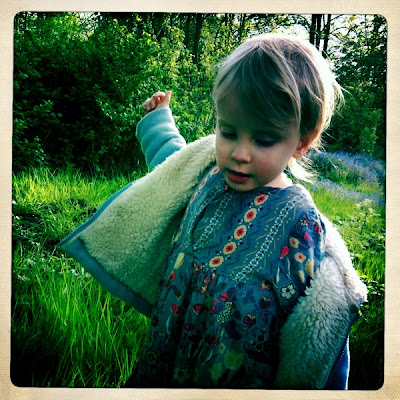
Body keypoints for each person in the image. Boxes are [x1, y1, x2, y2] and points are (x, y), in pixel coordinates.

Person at [58, 34, 367, 389]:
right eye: (228, 131)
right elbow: (173, 166)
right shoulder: (211, 173)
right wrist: (158, 122)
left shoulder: (300, 225)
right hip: (170, 353)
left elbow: (319, 326)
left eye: (264, 140)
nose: (240, 153)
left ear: (302, 141)